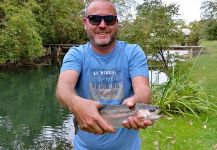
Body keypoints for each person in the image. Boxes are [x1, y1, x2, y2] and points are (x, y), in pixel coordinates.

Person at [56, 0, 153, 149]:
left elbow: (143, 90)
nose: (102, 25)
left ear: (116, 23)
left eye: (109, 19)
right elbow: (63, 87)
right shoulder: (76, 54)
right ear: (85, 22)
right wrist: (74, 102)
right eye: (95, 19)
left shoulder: (133, 52)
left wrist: (135, 102)